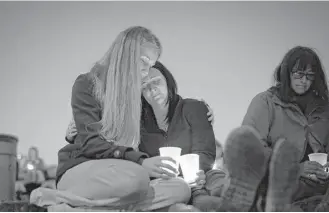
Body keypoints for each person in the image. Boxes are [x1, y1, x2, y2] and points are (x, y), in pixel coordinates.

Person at [31, 26, 195, 212]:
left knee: (180, 187)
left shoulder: (136, 100)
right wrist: (140, 161)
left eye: (151, 65)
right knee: (136, 179)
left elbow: (159, 129)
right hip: (84, 169)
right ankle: (54, 197)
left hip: (123, 175)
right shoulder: (88, 84)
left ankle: (80, 207)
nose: (146, 71)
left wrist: (196, 113)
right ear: (127, 54)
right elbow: (91, 142)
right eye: (144, 61)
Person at [65, 61, 223, 211]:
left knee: (215, 178)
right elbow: (112, 140)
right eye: (145, 87)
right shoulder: (137, 123)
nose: (153, 90)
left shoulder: (192, 108)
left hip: (200, 177)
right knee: (177, 191)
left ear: (168, 82)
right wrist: (77, 131)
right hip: (168, 183)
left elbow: (206, 152)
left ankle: (233, 196)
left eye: (156, 82)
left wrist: (193, 173)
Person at [217, 46, 329, 211]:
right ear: (286, 73)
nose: (304, 80)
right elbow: (250, 151)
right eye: (298, 74)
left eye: (309, 76)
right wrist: (297, 169)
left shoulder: (324, 107)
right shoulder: (265, 102)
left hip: (320, 183)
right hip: (278, 179)